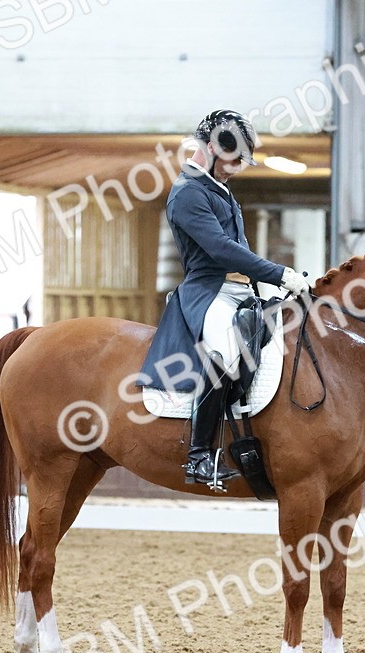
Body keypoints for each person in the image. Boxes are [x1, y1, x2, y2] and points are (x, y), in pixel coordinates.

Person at [138, 109, 311, 489]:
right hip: (208, 291)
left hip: (239, 292)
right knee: (226, 354)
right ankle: (198, 456)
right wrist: (279, 272)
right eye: (233, 160)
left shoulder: (220, 190)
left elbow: (240, 249)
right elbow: (221, 250)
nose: (236, 169)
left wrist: (269, 288)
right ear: (212, 148)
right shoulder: (187, 194)